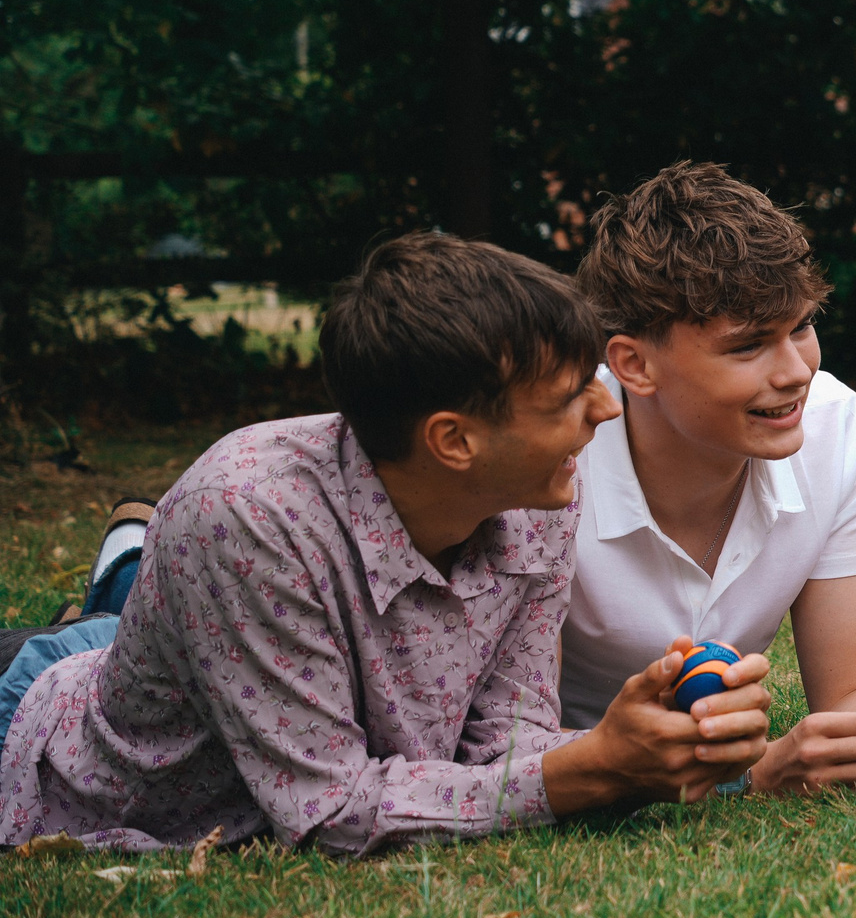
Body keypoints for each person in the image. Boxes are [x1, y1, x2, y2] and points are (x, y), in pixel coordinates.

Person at [0, 232, 776, 853]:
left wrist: (648, 742)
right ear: (454, 440)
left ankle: (126, 571)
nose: (606, 410)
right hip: (46, 720)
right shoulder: (246, 517)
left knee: (128, 612)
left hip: (213, 635)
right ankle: (125, 567)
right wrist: (592, 770)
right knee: (103, 622)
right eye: (571, 396)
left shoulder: (536, 492)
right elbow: (327, 808)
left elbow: (504, 750)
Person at [565, 161, 856, 793]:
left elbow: (855, 686)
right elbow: (500, 745)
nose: (796, 372)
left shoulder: (832, 426)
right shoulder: (554, 455)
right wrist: (752, 774)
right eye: (747, 345)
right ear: (634, 365)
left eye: (801, 327)